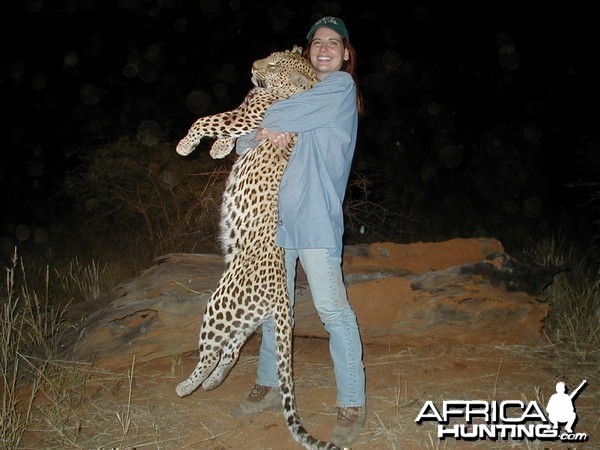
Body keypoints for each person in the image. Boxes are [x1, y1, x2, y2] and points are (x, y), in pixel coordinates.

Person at [231, 16, 366, 447]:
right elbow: (241, 140)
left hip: (314, 217)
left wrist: (266, 119)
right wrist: (262, 125)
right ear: (306, 52)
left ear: (345, 53)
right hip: (276, 218)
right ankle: (269, 385)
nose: (323, 48)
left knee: (333, 312)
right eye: (316, 43)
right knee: (275, 308)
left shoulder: (340, 89)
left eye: (333, 43)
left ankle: (351, 402)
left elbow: (263, 117)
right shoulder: (299, 93)